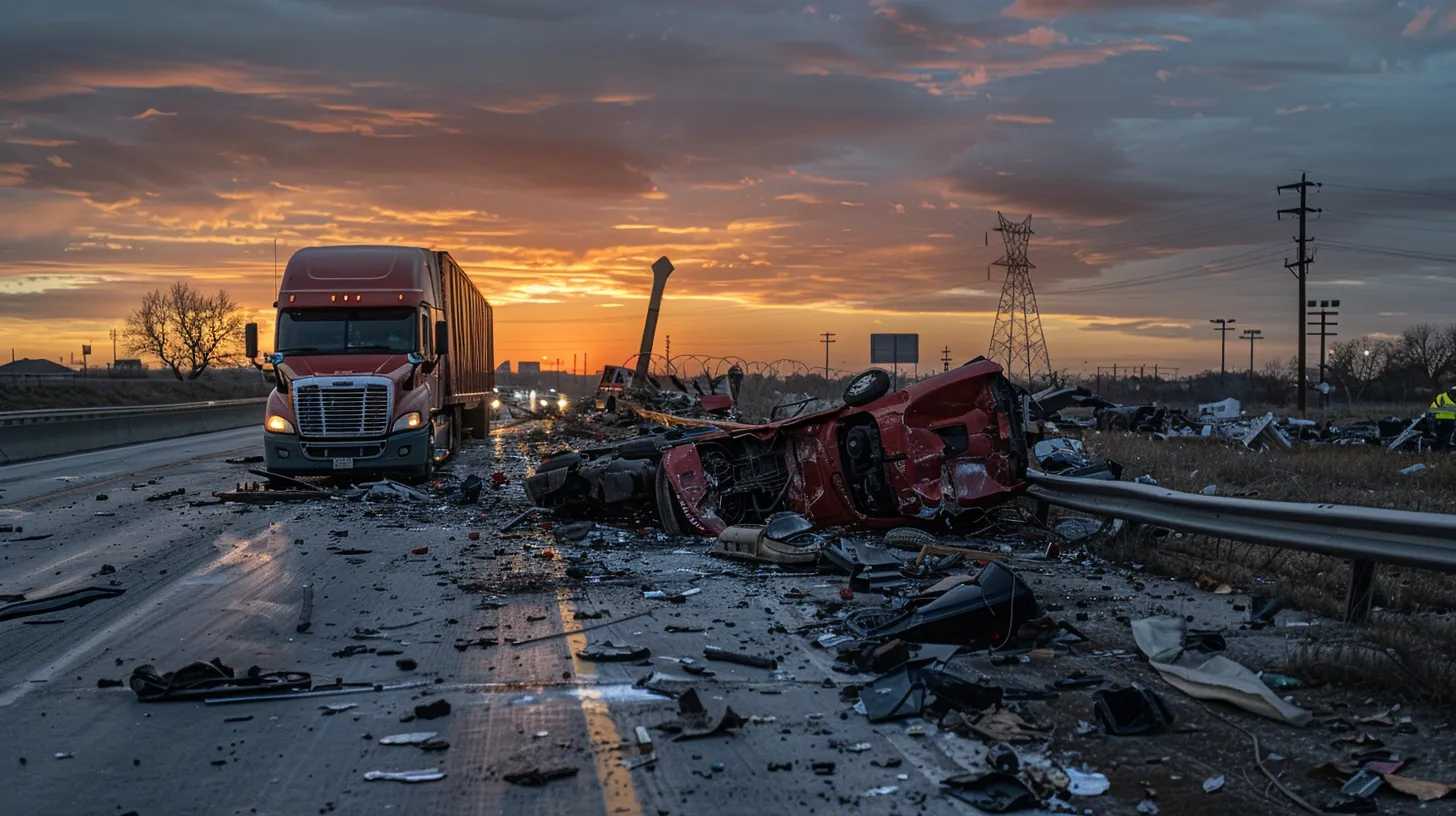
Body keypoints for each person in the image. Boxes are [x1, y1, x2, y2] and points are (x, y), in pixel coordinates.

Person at [1430, 385, 1456, 451]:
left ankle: (1436, 451)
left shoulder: (1441, 397)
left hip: (1439, 420)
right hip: (1451, 421)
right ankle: (1446, 451)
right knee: (1448, 438)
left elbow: (1432, 408)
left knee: (1440, 437)